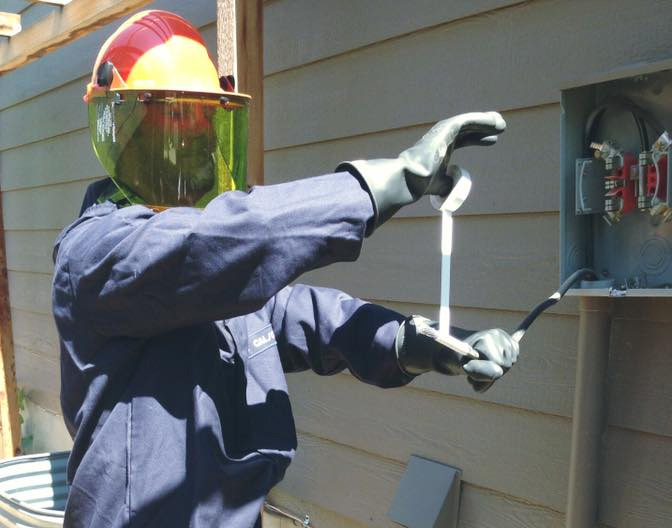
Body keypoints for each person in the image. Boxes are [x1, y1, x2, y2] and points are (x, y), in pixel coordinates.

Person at [52, 10, 518, 528]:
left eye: (206, 120)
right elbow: (218, 244)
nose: (197, 139)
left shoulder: (211, 270)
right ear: (124, 129)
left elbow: (306, 317)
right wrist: (389, 182)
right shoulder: (98, 254)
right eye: (177, 117)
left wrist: (421, 344)